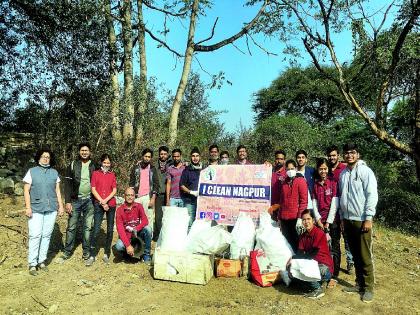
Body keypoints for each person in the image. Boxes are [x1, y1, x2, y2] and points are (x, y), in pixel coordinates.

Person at [339, 143, 378, 303]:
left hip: (362, 220)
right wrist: (342, 217)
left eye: (352, 153)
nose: (349, 155)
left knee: (365, 255)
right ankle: (359, 284)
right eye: (347, 153)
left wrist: (368, 217)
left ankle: (369, 288)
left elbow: (372, 195)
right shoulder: (343, 174)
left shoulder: (365, 171)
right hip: (347, 221)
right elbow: (341, 196)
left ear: (358, 154)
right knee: (355, 254)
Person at [23, 148, 64, 275]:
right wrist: (28, 207)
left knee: (46, 236)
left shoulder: (54, 172)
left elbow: (57, 191)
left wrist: (60, 206)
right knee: (35, 235)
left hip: (51, 208)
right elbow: (26, 190)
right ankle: (32, 263)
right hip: (36, 208)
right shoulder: (32, 171)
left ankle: (41, 261)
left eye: (48, 157)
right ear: (38, 158)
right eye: (43, 156)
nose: (46, 158)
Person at [60, 142, 96, 263]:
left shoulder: (94, 165)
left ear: (90, 152)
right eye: (82, 150)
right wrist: (68, 201)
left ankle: (86, 251)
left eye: (86, 150)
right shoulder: (73, 164)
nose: (84, 152)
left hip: (90, 201)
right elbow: (68, 185)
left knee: (87, 227)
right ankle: (67, 251)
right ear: (79, 151)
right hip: (75, 201)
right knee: (71, 227)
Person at [287, 209, 334, 299]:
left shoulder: (319, 233)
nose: (306, 222)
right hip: (313, 265)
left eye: (308, 219)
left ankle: (317, 289)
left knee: (303, 268)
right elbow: (300, 253)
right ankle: (314, 283)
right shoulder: (303, 236)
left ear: (313, 220)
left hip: (324, 267)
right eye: (304, 220)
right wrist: (292, 260)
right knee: (291, 271)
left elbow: (311, 254)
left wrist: (295, 259)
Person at [326, 144, 354, 274]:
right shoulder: (326, 170)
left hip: (345, 209)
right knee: (335, 240)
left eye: (334, 155)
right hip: (332, 213)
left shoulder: (344, 169)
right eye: (330, 155)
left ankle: (350, 262)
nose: (332, 157)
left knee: (348, 238)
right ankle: (335, 265)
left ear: (338, 156)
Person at [312, 158, 340, 287]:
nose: (323, 171)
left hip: (332, 222)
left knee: (334, 249)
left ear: (328, 169)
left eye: (325, 168)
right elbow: (314, 204)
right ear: (318, 170)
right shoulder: (316, 184)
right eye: (320, 169)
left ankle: (334, 276)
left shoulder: (333, 182)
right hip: (319, 222)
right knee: (322, 250)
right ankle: (324, 272)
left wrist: (328, 222)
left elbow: (334, 204)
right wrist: (318, 220)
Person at [85, 153, 117, 266]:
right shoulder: (95, 173)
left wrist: (106, 200)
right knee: (96, 229)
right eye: (105, 162)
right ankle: (92, 255)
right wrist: (102, 202)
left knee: (109, 230)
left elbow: (114, 190)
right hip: (98, 204)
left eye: (108, 163)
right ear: (101, 162)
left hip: (111, 204)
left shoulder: (112, 174)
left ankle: (106, 253)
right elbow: (93, 189)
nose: (106, 164)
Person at [113, 188, 152, 264]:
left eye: (132, 195)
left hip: (137, 235)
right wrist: (127, 245)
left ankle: (146, 254)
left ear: (134, 196)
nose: (130, 197)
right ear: (124, 196)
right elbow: (120, 229)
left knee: (148, 229)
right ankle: (126, 253)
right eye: (128, 195)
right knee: (118, 245)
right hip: (127, 236)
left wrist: (136, 229)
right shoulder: (120, 210)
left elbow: (145, 221)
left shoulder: (139, 206)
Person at [277, 159, 308, 252]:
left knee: (297, 242)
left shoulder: (301, 181)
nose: (290, 171)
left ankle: (298, 260)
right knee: (286, 242)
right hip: (284, 218)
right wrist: (279, 216)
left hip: (295, 218)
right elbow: (281, 201)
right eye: (288, 169)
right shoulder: (284, 183)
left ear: (296, 168)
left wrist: (300, 218)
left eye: (292, 168)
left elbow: (304, 201)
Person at [129, 148, 159, 237]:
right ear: (142, 156)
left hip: (147, 197)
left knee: (148, 218)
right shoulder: (136, 168)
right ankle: (136, 238)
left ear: (151, 158)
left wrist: (153, 199)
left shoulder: (153, 169)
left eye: (149, 157)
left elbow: (156, 184)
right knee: (135, 218)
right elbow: (131, 182)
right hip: (137, 197)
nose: (147, 158)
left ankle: (148, 237)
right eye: (145, 156)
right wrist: (131, 196)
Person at [180, 147, 202, 229]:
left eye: (197, 156)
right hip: (190, 201)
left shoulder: (203, 169)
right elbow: (182, 185)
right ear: (190, 157)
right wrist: (191, 192)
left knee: (200, 223)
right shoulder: (186, 170)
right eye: (193, 156)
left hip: (202, 202)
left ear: (200, 157)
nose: (195, 158)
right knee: (189, 223)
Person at [154, 146, 171, 242]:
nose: (163, 156)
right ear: (159, 154)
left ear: (167, 154)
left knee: (168, 216)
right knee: (158, 217)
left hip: (169, 194)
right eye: (161, 154)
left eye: (165, 154)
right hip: (159, 194)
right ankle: (158, 236)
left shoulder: (171, 164)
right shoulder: (155, 165)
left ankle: (167, 236)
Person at [268, 150, 287, 220]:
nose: (279, 161)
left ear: (284, 160)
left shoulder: (287, 174)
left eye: (281, 159)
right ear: (274, 160)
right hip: (269, 208)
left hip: (281, 209)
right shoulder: (269, 171)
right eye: (277, 159)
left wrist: (277, 205)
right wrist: (264, 166)